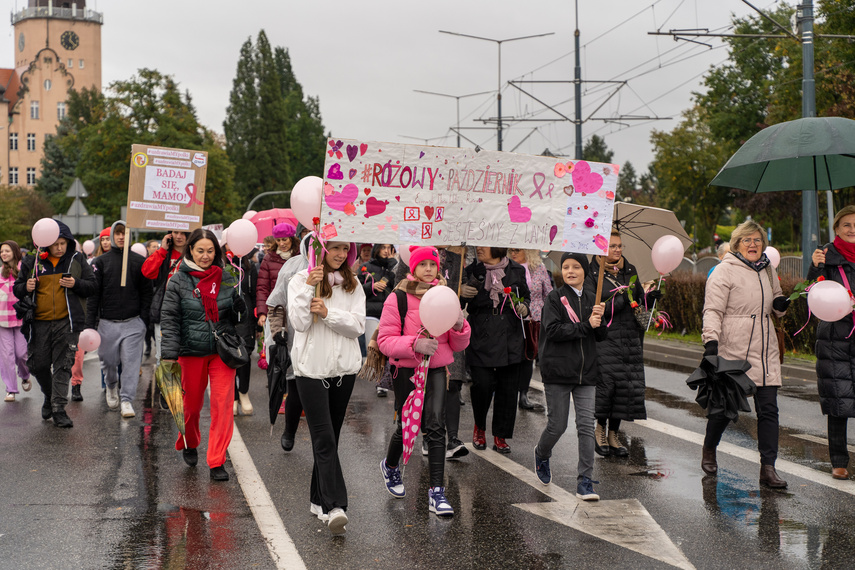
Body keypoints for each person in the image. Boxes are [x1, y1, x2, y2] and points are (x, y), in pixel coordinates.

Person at [377, 246, 471, 516]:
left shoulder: (446, 295)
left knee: (435, 426)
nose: (429, 269)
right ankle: (390, 466)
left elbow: (458, 343)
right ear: (413, 268)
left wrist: (460, 326)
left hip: (437, 369)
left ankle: (437, 493)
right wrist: (415, 344)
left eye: (433, 264)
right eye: (424, 264)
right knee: (408, 424)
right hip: (407, 370)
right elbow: (385, 341)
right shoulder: (398, 297)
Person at [702, 220, 790, 488]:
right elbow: (713, 310)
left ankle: (768, 468)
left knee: (768, 410)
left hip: (765, 348)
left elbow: (777, 301)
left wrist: (780, 304)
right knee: (724, 409)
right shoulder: (723, 271)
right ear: (737, 244)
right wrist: (711, 343)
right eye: (747, 240)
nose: (753, 244)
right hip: (734, 347)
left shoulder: (767, 269)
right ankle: (709, 448)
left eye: (758, 240)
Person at [287, 240, 365, 535]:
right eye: (334, 247)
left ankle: (317, 500)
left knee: (332, 436)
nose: (341, 254)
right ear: (318, 250)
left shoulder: (352, 283)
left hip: (344, 371)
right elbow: (300, 323)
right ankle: (335, 506)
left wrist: (328, 313)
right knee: (323, 439)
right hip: (311, 371)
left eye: (345, 249)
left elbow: (357, 326)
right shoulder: (299, 280)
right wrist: (309, 289)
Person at [160, 228, 246, 481]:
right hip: (190, 352)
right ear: (190, 251)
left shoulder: (227, 276)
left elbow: (237, 318)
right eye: (200, 250)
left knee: (222, 406)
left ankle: (217, 460)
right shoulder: (177, 280)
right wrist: (169, 356)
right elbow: (169, 319)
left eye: (211, 251)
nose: (206, 256)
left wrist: (241, 309)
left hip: (222, 352)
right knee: (191, 407)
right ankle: (190, 441)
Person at [533, 252, 607, 500]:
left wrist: (600, 318)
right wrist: (587, 325)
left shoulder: (591, 298)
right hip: (558, 371)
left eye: (576, 266)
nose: (571, 271)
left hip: (586, 373)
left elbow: (600, 336)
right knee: (558, 426)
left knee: (586, 427)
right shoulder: (555, 298)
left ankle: (585, 481)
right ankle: (542, 453)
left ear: (585, 271)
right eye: (566, 267)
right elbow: (553, 331)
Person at [13, 221, 96, 427]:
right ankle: (49, 396)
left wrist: (75, 283)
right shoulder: (32, 261)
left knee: (63, 365)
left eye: (63, 243)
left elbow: (93, 285)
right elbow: (17, 289)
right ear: (46, 243)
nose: (60, 248)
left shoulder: (76, 259)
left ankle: (59, 409)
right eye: (55, 244)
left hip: (66, 322)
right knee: (37, 364)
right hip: (38, 322)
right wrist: (27, 286)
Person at [585, 230, 660, 457]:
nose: (617, 250)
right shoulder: (593, 274)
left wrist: (650, 298)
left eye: (619, 246)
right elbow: (592, 305)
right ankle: (599, 430)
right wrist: (618, 301)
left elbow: (637, 301)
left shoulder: (630, 271)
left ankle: (613, 434)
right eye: (612, 246)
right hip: (606, 339)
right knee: (607, 385)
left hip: (630, 337)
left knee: (624, 387)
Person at [460, 246, 530, 454]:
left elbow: (526, 296)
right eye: (478, 244)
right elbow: (460, 301)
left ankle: (500, 435)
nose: (479, 248)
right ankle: (479, 426)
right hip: (481, 332)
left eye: (485, 243)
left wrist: (524, 307)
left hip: (510, 333)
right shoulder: (472, 269)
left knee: (508, 389)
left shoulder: (516, 270)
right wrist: (463, 289)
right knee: (482, 385)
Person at [85, 221, 152, 418]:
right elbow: (93, 296)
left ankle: (127, 400)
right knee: (108, 361)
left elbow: (147, 293)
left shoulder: (139, 262)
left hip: (133, 323)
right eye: (118, 233)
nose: (121, 237)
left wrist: (143, 321)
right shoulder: (100, 262)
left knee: (131, 364)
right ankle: (111, 385)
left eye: (125, 233)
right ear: (113, 235)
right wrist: (90, 325)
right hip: (107, 323)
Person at [809, 205, 855, 481]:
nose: (852, 229)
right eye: (847, 224)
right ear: (836, 228)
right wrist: (815, 268)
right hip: (835, 338)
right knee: (839, 401)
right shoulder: (825, 256)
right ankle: (838, 461)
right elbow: (810, 291)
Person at [267, 233, 312, 451]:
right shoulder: (293, 266)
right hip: (297, 338)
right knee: (297, 391)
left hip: (327, 341)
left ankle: (322, 441)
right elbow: (277, 302)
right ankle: (289, 430)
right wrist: (278, 330)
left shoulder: (340, 270)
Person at [509, 248, 553, 412]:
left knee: (528, 357)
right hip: (513, 318)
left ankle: (523, 395)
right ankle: (511, 393)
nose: (513, 253)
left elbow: (548, 292)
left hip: (534, 320)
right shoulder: (508, 267)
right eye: (511, 250)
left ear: (527, 251)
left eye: (517, 250)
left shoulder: (539, 267)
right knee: (514, 357)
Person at [142, 231, 188, 368]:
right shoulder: (164, 254)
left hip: (188, 313)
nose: (179, 236)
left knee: (186, 359)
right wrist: (162, 249)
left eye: (183, 233)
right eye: (175, 232)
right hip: (165, 313)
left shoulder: (194, 254)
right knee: (164, 359)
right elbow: (147, 271)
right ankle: (167, 389)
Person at [356, 244, 398, 396]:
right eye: (383, 247)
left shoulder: (395, 268)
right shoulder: (366, 267)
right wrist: (372, 286)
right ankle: (380, 380)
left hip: (390, 312)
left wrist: (394, 263)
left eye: (389, 247)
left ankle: (383, 382)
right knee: (375, 346)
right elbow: (356, 289)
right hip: (371, 312)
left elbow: (400, 284)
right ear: (377, 249)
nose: (386, 251)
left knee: (388, 348)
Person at [225, 247, 258, 415]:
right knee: (229, 355)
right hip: (226, 317)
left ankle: (244, 393)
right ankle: (233, 397)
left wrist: (257, 320)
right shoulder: (221, 266)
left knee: (244, 355)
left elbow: (255, 295)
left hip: (245, 318)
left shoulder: (250, 267)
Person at [1, 241, 31, 402]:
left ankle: (25, 375)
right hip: (2, 321)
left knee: (21, 354)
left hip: (20, 319)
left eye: (6, 250)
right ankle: (11, 389)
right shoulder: (0, 272)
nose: (3, 253)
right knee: (7, 355)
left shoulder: (23, 270)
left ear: (14, 251)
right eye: (1, 251)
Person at [256, 223, 298, 331]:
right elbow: (262, 287)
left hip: (297, 307)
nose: (281, 243)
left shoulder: (300, 257)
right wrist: (262, 312)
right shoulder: (268, 258)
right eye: (278, 240)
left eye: (284, 239)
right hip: (275, 310)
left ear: (291, 239)